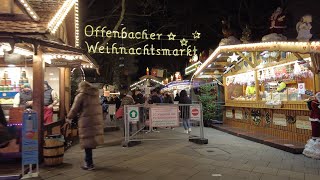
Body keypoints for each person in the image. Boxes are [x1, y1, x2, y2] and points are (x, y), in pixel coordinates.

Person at [66, 81, 104, 170]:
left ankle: (89, 164)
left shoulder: (81, 95)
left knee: (87, 143)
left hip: (86, 121)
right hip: (94, 120)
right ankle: (88, 162)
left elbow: (74, 108)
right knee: (89, 142)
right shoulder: (94, 95)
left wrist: (69, 117)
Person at [303, 92, 320, 159]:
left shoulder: (314, 102)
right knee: (315, 133)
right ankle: (314, 149)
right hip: (315, 119)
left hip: (315, 119)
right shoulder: (315, 103)